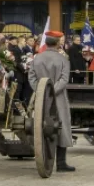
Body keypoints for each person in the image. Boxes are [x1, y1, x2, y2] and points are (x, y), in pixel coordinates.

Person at [28, 30, 74, 172]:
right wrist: (53, 91)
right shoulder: (63, 60)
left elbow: (31, 78)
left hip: (41, 99)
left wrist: (41, 90)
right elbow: (64, 79)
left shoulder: (37, 58)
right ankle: (61, 163)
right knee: (62, 127)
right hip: (58, 98)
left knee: (40, 126)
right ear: (58, 43)